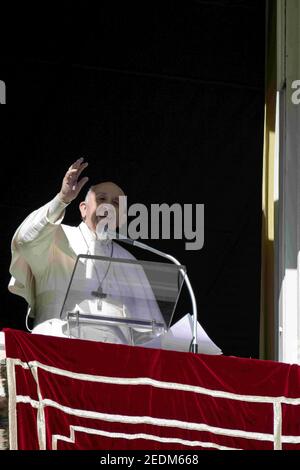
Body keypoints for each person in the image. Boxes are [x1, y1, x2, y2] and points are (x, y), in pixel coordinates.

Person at [8, 158, 164, 344]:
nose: (108, 206)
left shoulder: (129, 260)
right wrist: (62, 199)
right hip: (57, 347)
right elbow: (24, 240)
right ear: (83, 208)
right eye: (101, 199)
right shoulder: (56, 237)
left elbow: (150, 333)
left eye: (116, 203)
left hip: (115, 360)